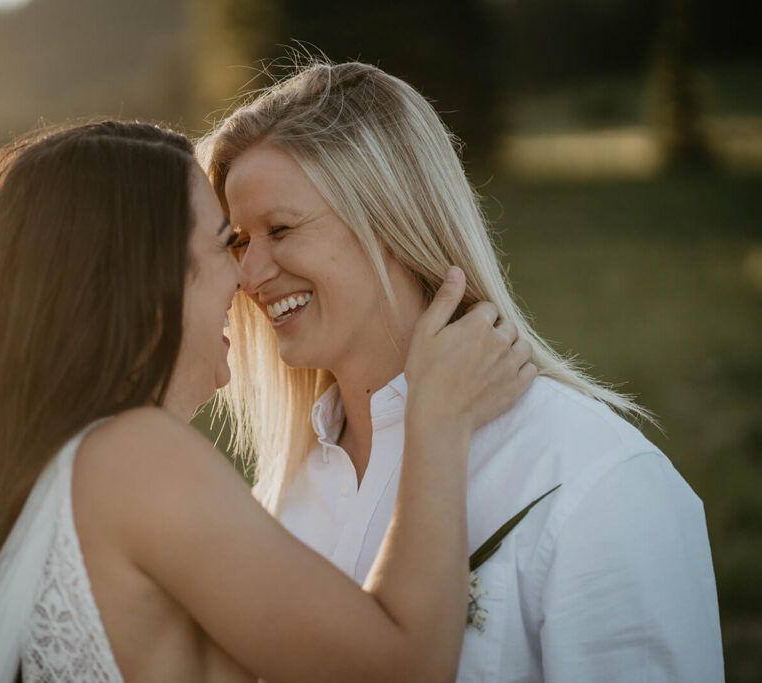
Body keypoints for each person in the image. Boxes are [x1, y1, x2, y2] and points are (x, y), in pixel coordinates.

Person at [0, 120, 534, 682]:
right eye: (227, 242)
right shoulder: (134, 460)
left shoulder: (33, 476)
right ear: (143, 273)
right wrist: (436, 417)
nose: (248, 276)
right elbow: (399, 670)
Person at [199, 60, 724, 682]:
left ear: (391, 219)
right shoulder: (280, 495)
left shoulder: (592, 478)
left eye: (279, 230)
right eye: (238, 241)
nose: (248, 275)